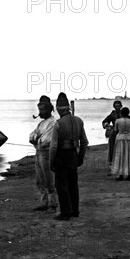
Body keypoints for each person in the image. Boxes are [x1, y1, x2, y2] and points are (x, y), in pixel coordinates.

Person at [50, 92, 89, 221]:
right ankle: (75, 210)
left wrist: (51, 162)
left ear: (58, 109)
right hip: (73, 154)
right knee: (73, 184)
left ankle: (66, 212)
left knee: (62, 186)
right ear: (69, 108)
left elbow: (54, 146)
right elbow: (84, 142)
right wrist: (80, 157)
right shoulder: (79, 121)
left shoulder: (58, 124)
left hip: (61, 156)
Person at [29, 95, 58, 213]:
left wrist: (37, 138)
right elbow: (31, 136)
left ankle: (53, 204)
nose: (40, 112)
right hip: (38, 152)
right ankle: (44, 203)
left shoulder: (53, 122)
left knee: (49, 179)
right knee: (40, 180)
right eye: (40, 110)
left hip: (47, 153)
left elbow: (46, 140)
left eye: (43, 110)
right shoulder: (41, 124)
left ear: (49, 109)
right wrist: (36, 138)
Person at [111, 107, 130, 181]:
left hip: (120, 138)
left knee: (119, 156)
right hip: (128, 138)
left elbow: (115, 130)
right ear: (128, 113)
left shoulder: (117, 121)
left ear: (121, 113)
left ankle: (120, 174)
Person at [102, 100, 123, 171]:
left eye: (118, 106)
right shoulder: (112, 115)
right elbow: (104, 121)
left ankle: (121, 162)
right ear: (114, 107)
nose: (117, 107)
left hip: (122, 132)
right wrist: (108, 125)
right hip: (114, 133)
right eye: (116, 106)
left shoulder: (123, 113)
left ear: (121, 106)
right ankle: (113, 163)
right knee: (113, 148)